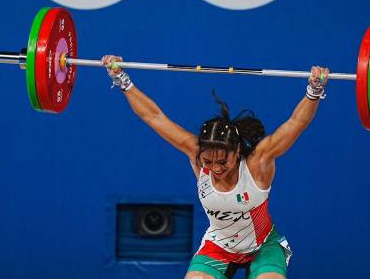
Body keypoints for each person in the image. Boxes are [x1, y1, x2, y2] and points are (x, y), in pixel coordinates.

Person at [101, 55, 330, 279]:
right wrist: (122, 79)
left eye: (222, 161)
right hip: (218, 247)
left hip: (263, 246)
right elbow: (154, 116)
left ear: (237, 151)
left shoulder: (257, 164)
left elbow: (295, 123)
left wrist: (314, 90)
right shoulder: (196, 156)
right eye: (208, 162)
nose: (216, 168)